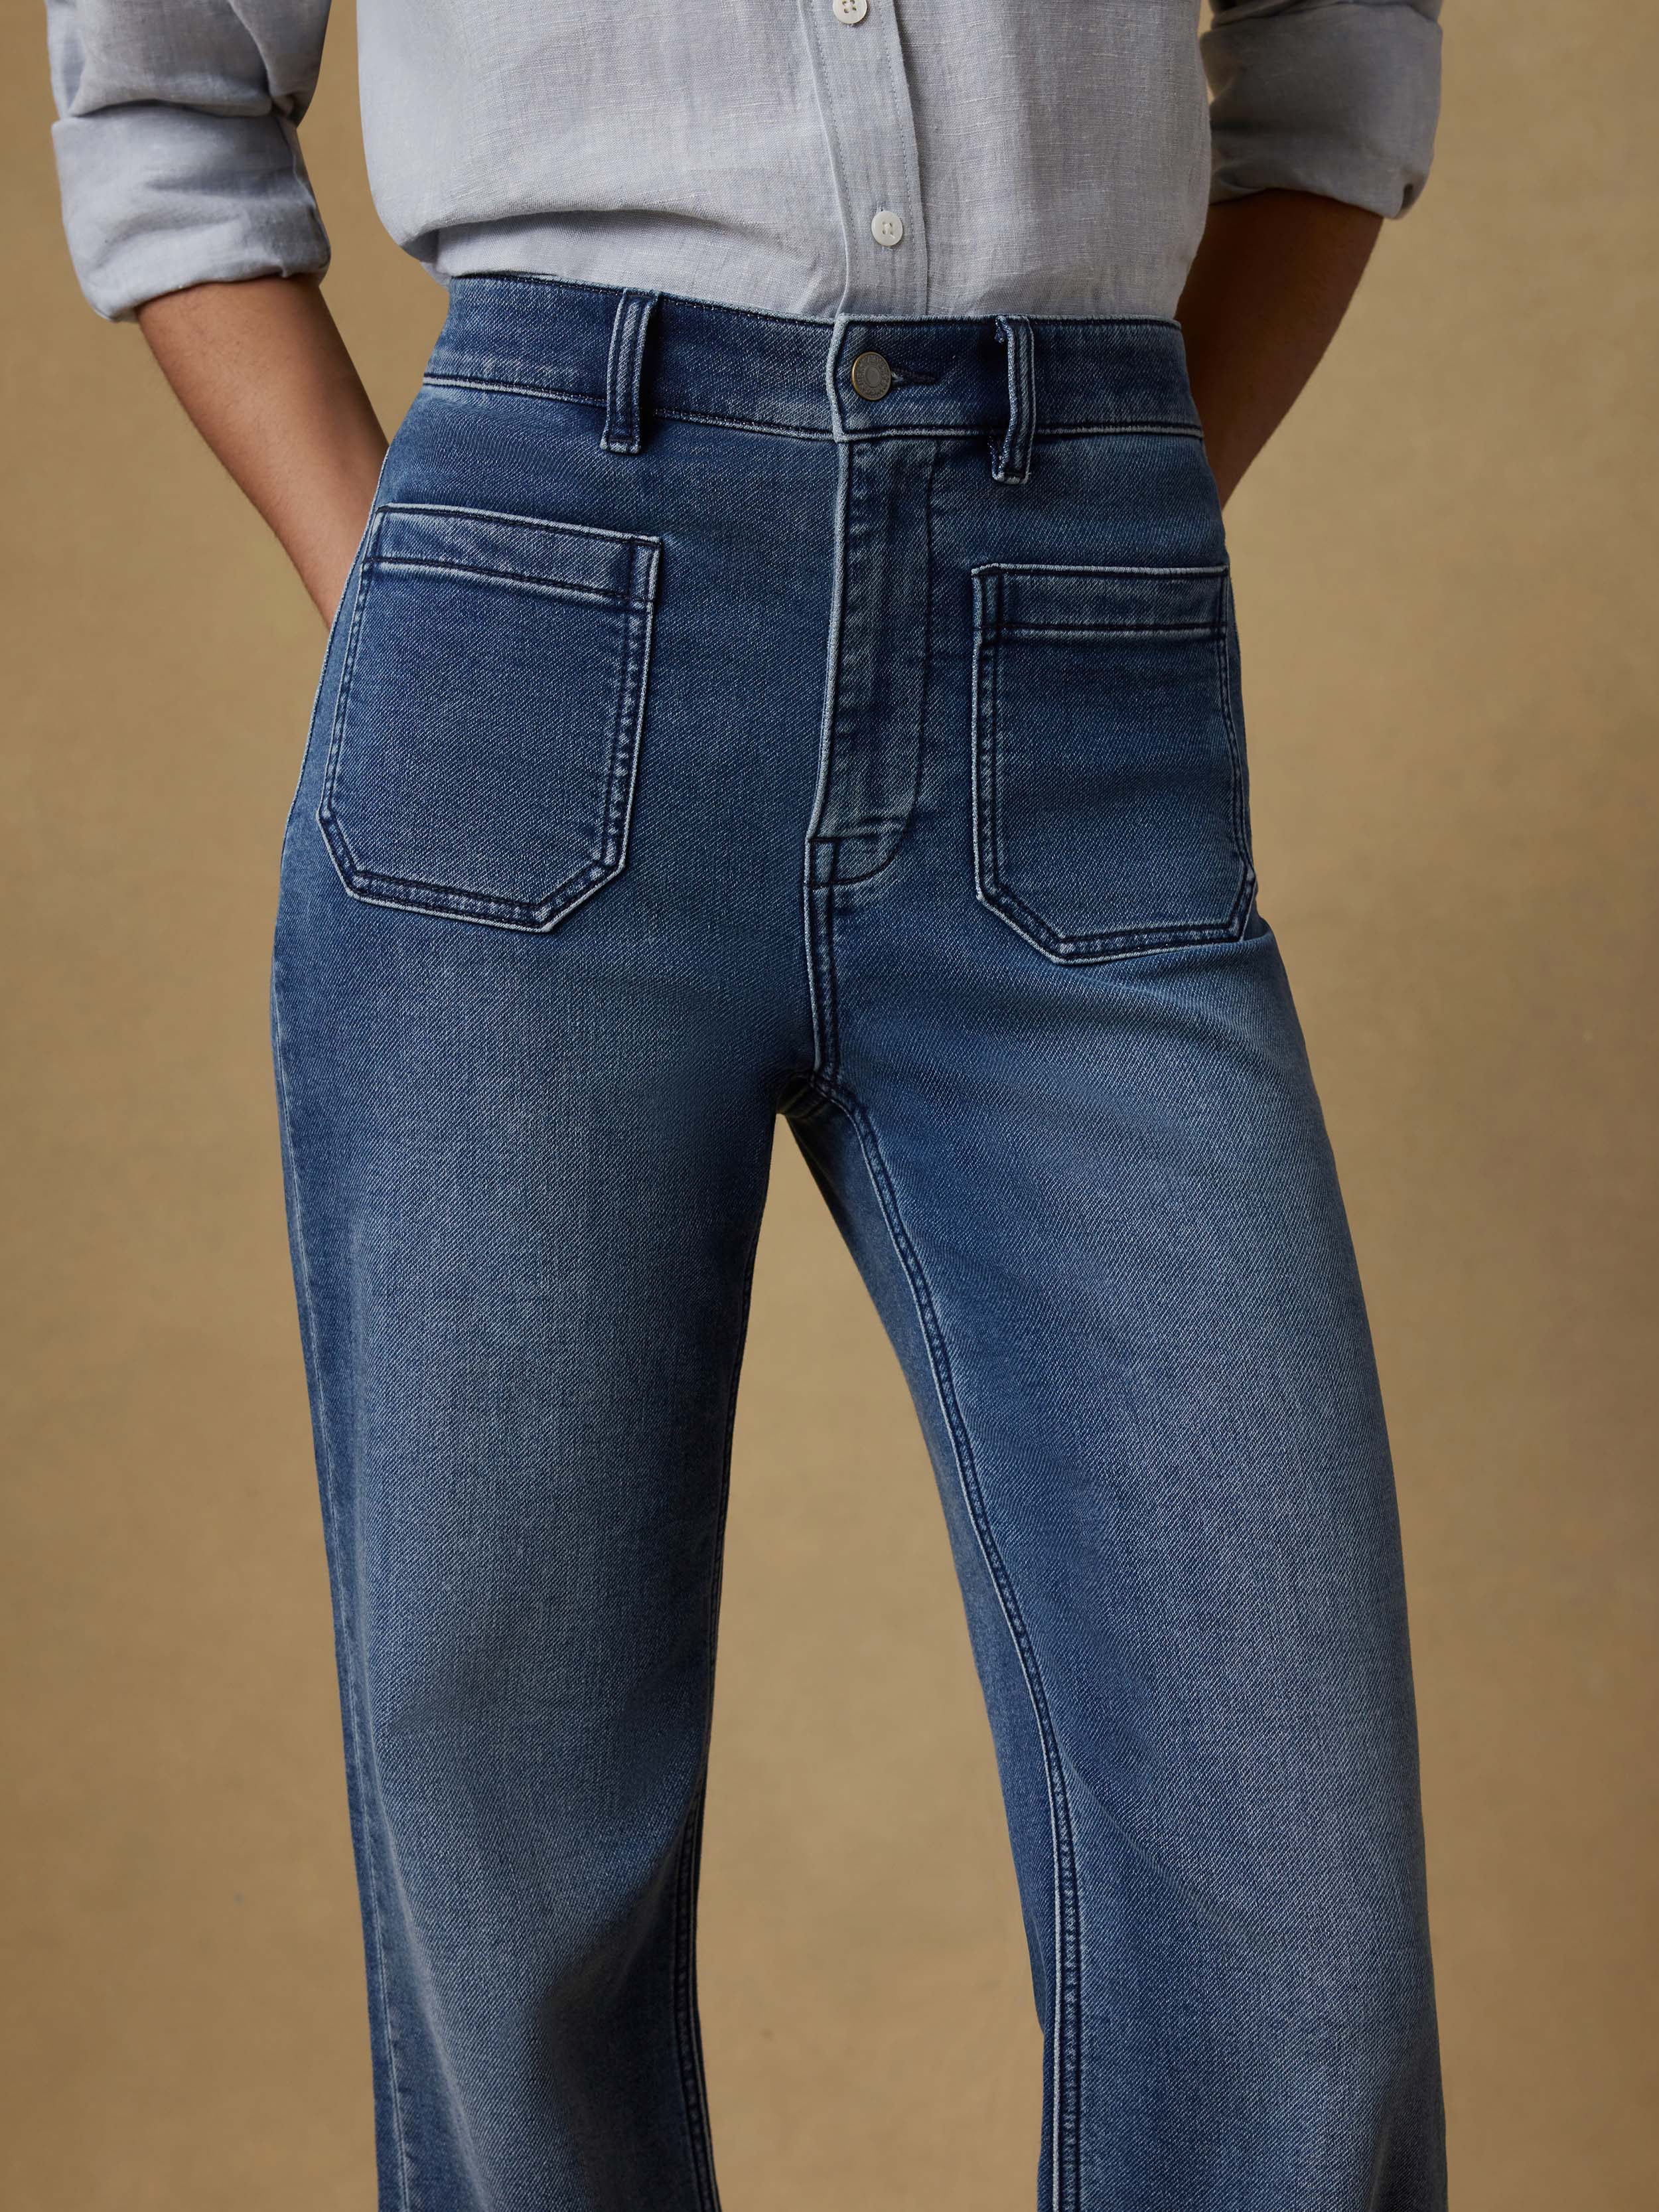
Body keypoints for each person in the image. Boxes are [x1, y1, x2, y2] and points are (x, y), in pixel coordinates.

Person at [43, 4, 1449, 2206]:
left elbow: (1339, 68)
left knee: (1293, 1922)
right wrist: (401, 597)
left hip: (1072, 640)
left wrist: (1086, 524)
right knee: (518, 1870)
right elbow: (155, 100)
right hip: (538, 612)